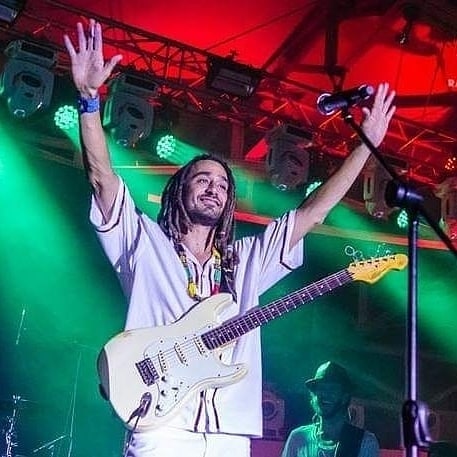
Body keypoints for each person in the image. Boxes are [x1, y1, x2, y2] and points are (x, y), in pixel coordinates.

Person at [63, 18, 395, 457]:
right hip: (161, 424)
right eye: (202, 180)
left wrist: (366, 146)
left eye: (222, 185)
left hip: (230, 431)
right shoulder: (144, 243)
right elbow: (103, 179)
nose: (214, 189)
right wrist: (89, 100)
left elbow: (312, 212)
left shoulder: (247, 259)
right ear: (179, 190)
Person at [281, 361, 380, 457]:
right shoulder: (298, 438)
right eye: (320, 389)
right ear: (313, 397)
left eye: (332, 389)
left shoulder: (365, 441)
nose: (325, 394)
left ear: (345, 397)